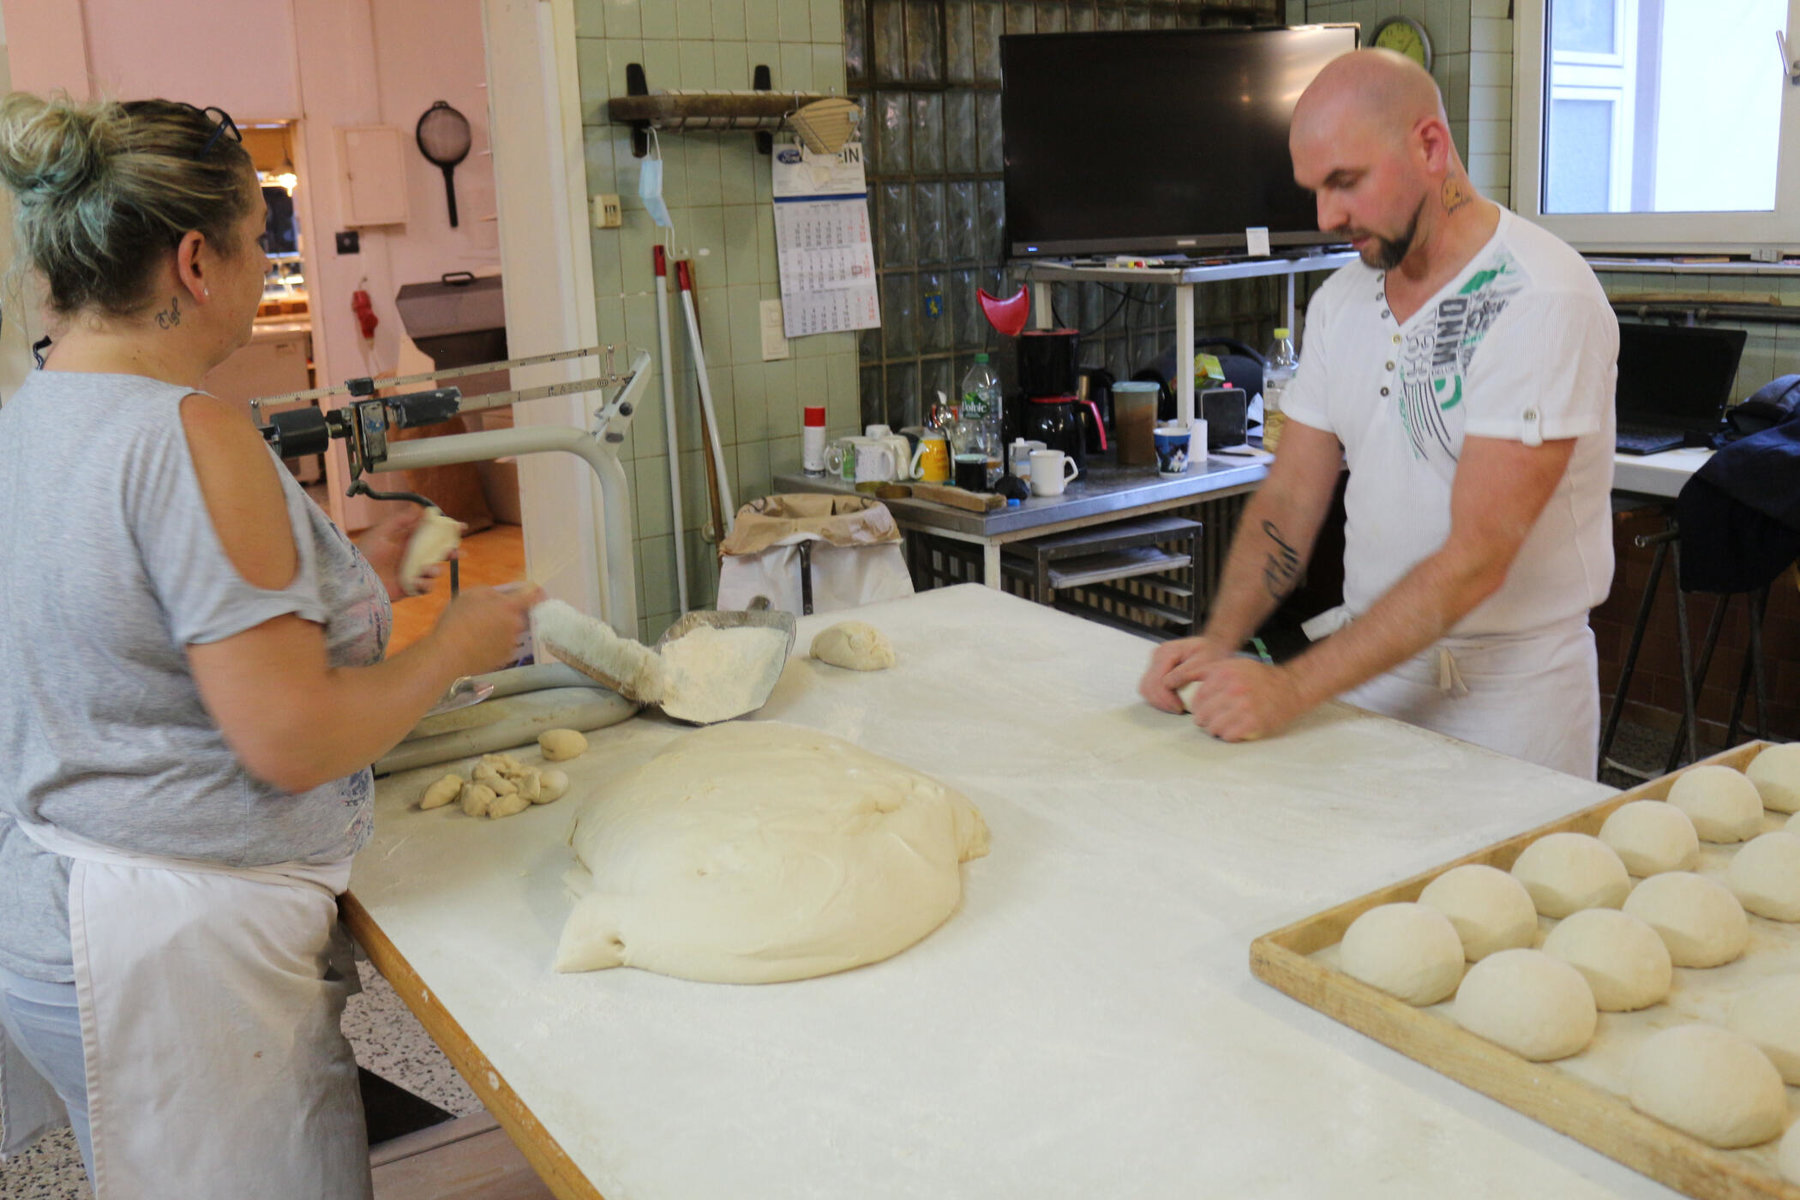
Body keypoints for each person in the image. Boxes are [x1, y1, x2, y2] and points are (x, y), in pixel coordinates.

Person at [0, 95, 540, 1197]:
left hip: (70, 905)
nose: (261, 264)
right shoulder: (189, 433)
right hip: (181, 954)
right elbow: (290, 735)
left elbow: (148, 633)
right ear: (196, 261)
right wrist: (454, 643)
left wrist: (356, 576)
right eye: (257, 238)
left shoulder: (42, 410)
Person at [1139, 49, 1618, 779]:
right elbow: (1292, 497)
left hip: (1509, 703)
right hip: (1364, 679)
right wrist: (1221, 639)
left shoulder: (1539, 298)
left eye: (1346, 182)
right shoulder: (1341, 303)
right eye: (1315, 190)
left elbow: (1477, 559)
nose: (1329, 216)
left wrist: (1292, 685)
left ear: (1429, 146)